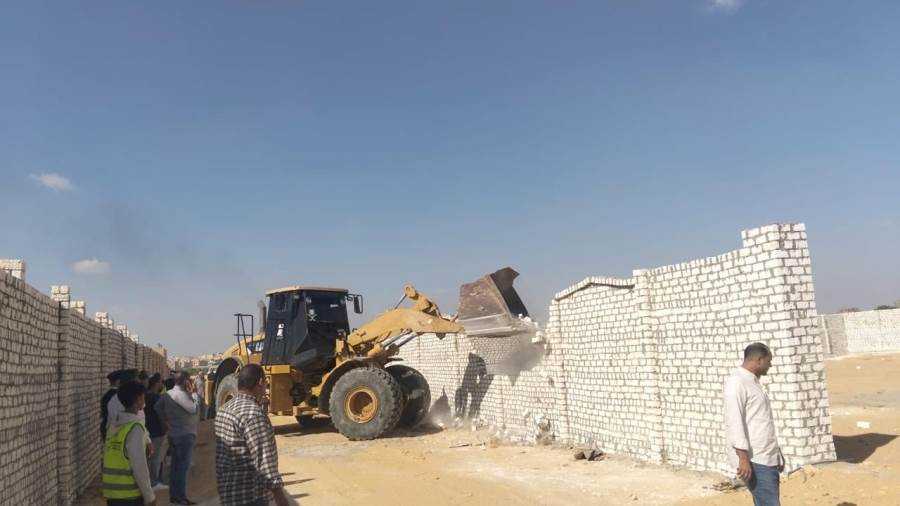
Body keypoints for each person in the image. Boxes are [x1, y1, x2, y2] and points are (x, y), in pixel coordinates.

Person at [215, 364, 290, 506]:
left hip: (228, 494)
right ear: (260, 383)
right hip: (251, 497)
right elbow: (266, 466)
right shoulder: (253, 415)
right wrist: (282, 501)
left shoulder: (224, 409)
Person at [724, 343, 784, 506]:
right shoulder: (737, 383)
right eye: (768, 361)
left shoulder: (752, 382)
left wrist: (776, 453)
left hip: (766, 457)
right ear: (759, 360)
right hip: (756, 460)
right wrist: (743, 459)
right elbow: (734, 422)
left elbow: (761, 422)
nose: (770, 365)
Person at [102, 381, 157, 506]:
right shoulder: (135, 428)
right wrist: (149, 496)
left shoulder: (113, 425)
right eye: (143, 397)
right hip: (129, 495)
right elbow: (139, 467)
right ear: (138, 400)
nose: (144, 400)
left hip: (112, 493)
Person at [155, 371, 199, 505]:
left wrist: (165, 420)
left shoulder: (168, 394)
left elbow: (157, 407)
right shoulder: (182, 395)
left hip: (173, 434)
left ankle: (174, 497)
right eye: (189, 380)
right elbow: (194, 409)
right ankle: (180, 498)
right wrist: (195, 394)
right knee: (182, 469)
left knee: (175, 468)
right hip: (185, 435)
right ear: (185, 381)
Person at [144, 374, 169, 491]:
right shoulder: (156, 398)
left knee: (149, 458)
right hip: (157, 432)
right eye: (160, 382)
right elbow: (162, 415)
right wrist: (165, 426)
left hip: (147, 431)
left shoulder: (144, 396)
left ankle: (149, 481)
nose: (161, 384)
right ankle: (154, 482)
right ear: (156, 383)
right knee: (156, 458)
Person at [108, 369, 144, 437]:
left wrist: (147, 439)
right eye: (137, 378)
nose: (140, 381)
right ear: (131, 380)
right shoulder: (116, 400)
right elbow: (114, 423)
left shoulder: (137, 397)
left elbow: (142, 419)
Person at [101, 370, 123, 441]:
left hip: (107, 428)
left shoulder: (106, 395)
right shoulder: (119, 396)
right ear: (118, 381)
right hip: (116, 430)